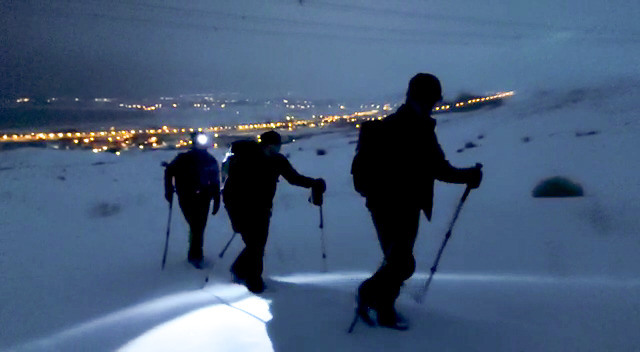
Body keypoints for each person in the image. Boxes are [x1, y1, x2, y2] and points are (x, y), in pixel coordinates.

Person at [350, 73, 483, 330]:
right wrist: (467, 175)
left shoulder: (417, 127)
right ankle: (371, 297)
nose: (433, 105)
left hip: (404, 205)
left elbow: (438, 168)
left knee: (398, 261)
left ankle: (382, 303)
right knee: (401, 263)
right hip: (390, 206)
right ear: (416, 98)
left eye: (434, 100)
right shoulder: (402, 128)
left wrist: (466, 175)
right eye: (430, 100)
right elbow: (438, 168)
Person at [222, 130, 326, 293]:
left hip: (262, 209)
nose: (279, 148)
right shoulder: (245, 159)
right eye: (276, 145)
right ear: (268, 144)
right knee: (255, 245)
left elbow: (293, 178)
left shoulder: (278, 160)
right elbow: (229, 190)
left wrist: (313, 183)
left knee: (257, 245)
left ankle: (239, 270)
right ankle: (253, 280)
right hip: (242, 208)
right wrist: (234, 216)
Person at [164, 132, 221, 269]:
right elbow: (169, 171)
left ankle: (196, 254)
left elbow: (215, 180)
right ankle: (195, 255)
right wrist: (168, 189)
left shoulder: (210, 160)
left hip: (204, 197)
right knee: (196, 226)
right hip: (186, 196)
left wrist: (217, 197)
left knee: (198, 226)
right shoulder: (183, 158)